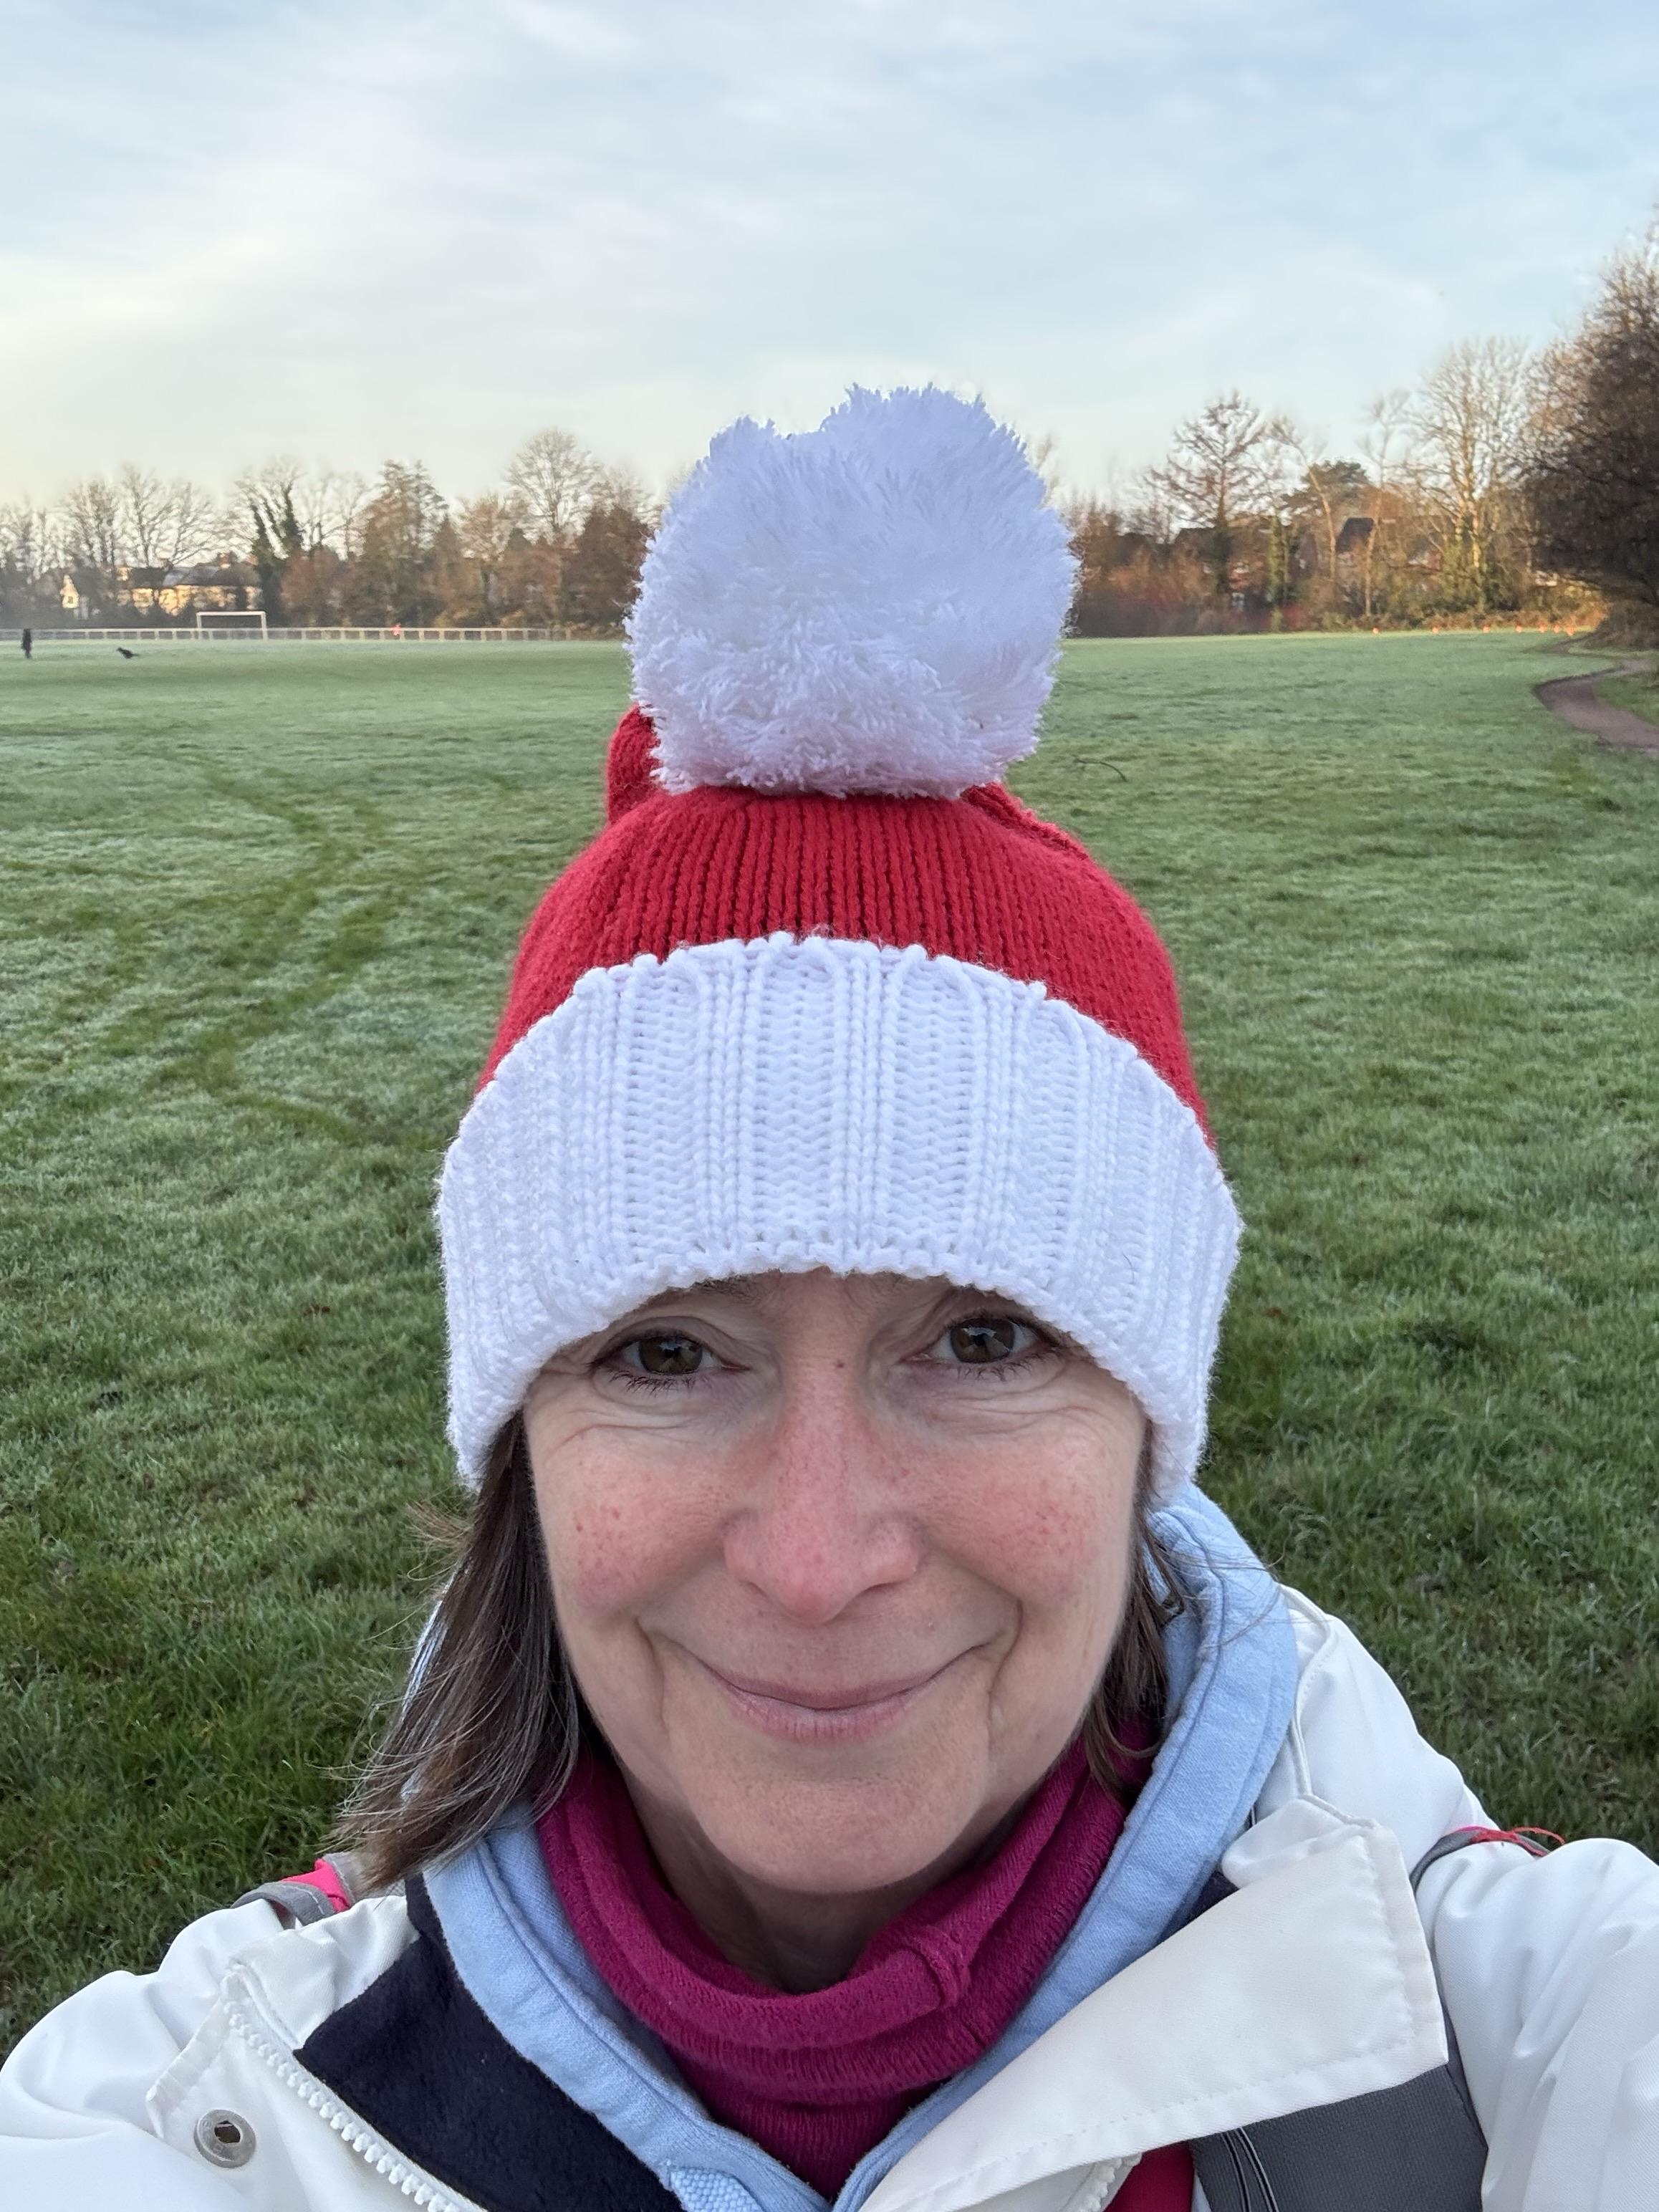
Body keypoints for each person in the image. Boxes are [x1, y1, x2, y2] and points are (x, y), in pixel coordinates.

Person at [2, 390, 1656, 2212]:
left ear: (1148, 1422)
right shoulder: (184, 2110)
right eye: (664, 1349)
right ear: (521, 1436)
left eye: (984, 1337)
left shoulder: (1518, 2013)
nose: (815, 1560)